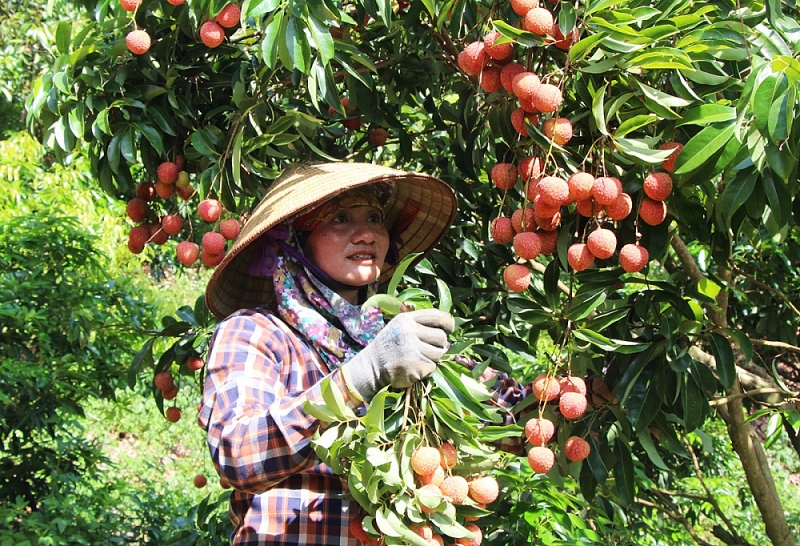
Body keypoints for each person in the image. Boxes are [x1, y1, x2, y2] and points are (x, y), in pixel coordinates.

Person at [199, 162, 463, 545]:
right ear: (295, 240)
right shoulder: (256, 333)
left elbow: (497, 410)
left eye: (374, 217)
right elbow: (239, 454)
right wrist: (362, 376)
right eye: (340, 219)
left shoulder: (402, 334)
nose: (366, 234)